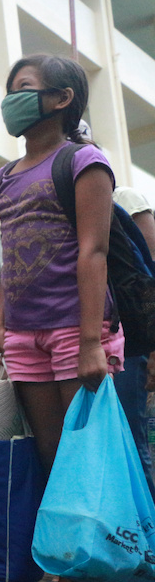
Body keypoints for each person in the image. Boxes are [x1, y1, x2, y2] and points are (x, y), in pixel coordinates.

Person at [0, 54, 126, 582]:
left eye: (24, 89)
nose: (10, 100)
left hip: (78, 330)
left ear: (61, 98)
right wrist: (0, 322)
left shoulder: (84, 162)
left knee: (84, 461)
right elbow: (9, 257)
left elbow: (93, 251)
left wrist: (93, 341)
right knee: (50, 459)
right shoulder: (5, 176)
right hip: (24, 334)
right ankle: (66, 581)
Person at [111, 186, 155, 499]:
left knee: (134, 438)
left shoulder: (124, 199)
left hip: (132, 341)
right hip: (105, 340)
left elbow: (149, 269)